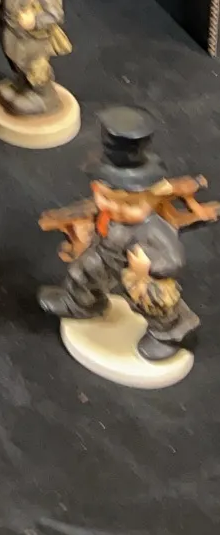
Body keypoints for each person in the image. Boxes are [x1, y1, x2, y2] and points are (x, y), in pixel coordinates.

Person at [39, 109, 209, 362]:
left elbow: (174, 260)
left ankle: (169, 333)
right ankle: (81, 303)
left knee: (153, 301)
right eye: (106, 198)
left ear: (152, 200)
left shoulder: (153, 229)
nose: (115, 208)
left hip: (139, 273)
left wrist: (148, 266)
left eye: (129, 204)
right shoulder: (108, 215)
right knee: (83, 272)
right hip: (105, 256)